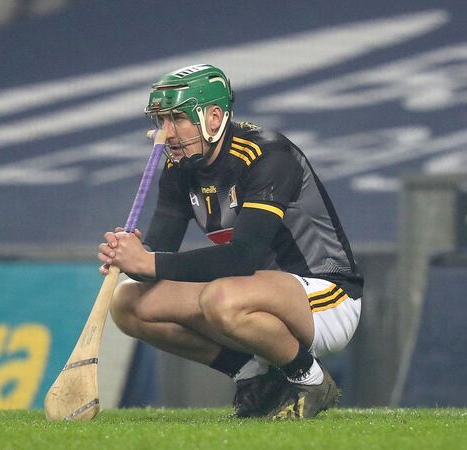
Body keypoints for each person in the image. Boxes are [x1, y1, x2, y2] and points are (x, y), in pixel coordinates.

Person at [98, 64, 363, 419]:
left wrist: (148, 262)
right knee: (128, 301)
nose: (165, 133)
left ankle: (311, 380)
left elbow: (243, 258)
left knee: (221, 297)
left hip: (327, 297)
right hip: (250, 293)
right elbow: (158, 258)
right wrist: (130, 258)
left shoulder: (267, 154)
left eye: (177, 119)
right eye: (160, 120)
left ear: (214, 117)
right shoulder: (179, 168)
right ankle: (253, 378)